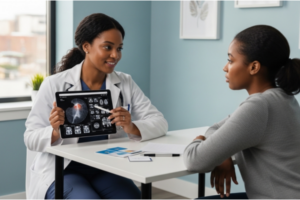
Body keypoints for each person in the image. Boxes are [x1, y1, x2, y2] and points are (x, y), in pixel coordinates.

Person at [24, 13, 168, 199]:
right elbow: (30, 137)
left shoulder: (125, 82)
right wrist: (54, 132)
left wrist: (131, 126)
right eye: (107, 47)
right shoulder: (54, 84)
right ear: (86, 47)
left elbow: (160, 122)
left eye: (119, 48)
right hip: (64, 171)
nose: (115, 55)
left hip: (104, 167)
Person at [183, 25, 300, 199]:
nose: (225, 67)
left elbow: (194, 160)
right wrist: (222, 153)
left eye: (230, 60)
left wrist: (199, 140)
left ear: (254, 67)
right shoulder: (283, 98)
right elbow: (216, 128)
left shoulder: (258, 107)